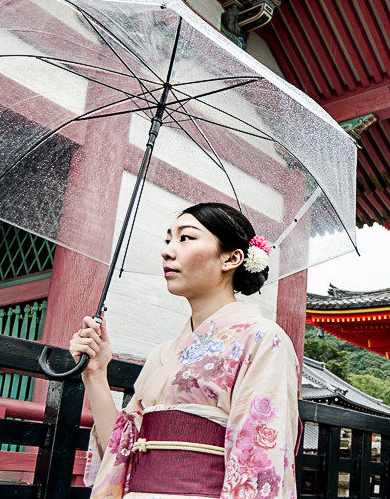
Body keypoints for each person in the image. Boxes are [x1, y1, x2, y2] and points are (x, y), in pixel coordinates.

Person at [70, 202, 301, 499]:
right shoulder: (161, 354)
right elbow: (119, 450)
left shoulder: (263, 339)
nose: (167, 250)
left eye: (186, 238)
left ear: (232, 258)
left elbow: (258, 465)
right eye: (168, 240)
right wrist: (96, 373)